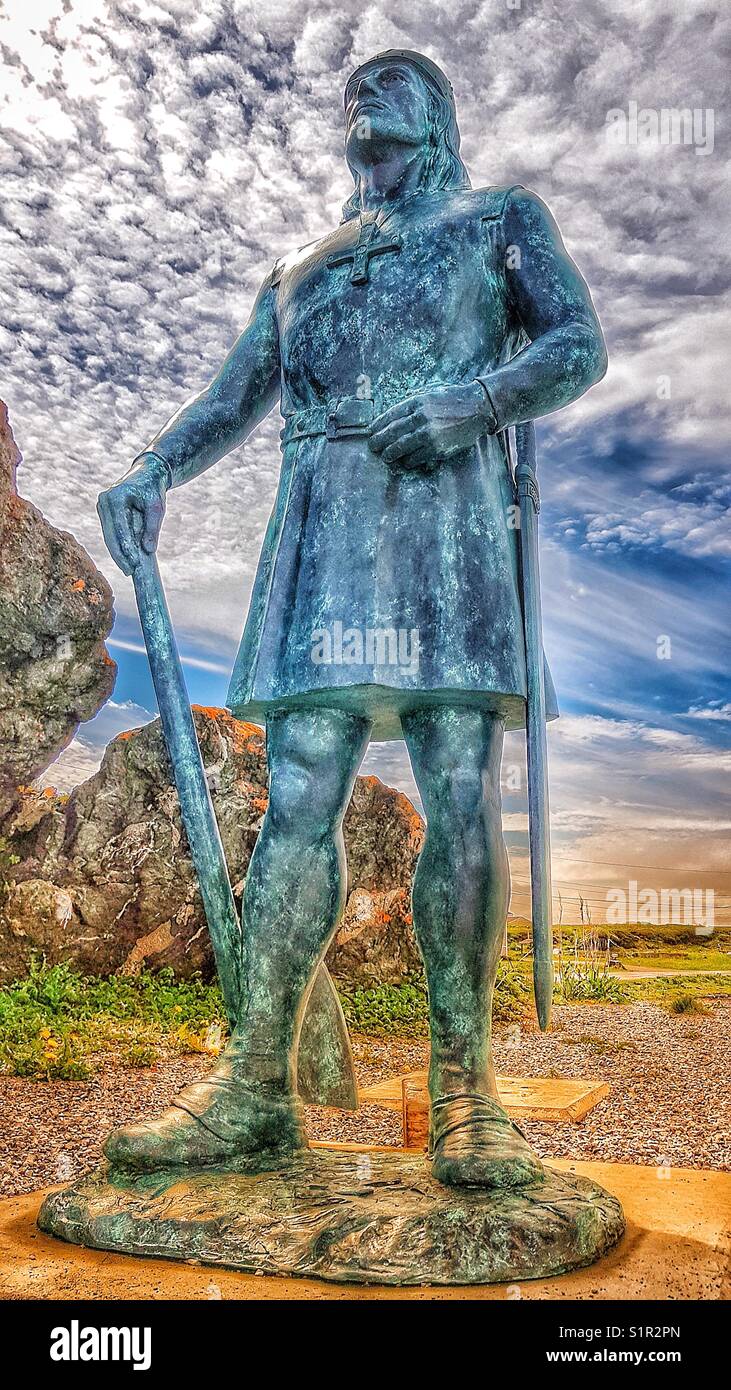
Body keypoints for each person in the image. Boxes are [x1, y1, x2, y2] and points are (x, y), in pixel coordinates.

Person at [98, 50, 607, 1187]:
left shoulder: (497, 218)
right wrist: (150, 466)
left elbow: (575, 343)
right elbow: (235, 396)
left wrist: (471, 402)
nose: (365, 93)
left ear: (438, 117)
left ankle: (465, 1089)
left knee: (457, 784)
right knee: (299, 795)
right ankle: (252, 1089)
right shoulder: (297, 268)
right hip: (322, 534)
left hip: (447, 531)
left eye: (394, 80)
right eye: (354, 87)